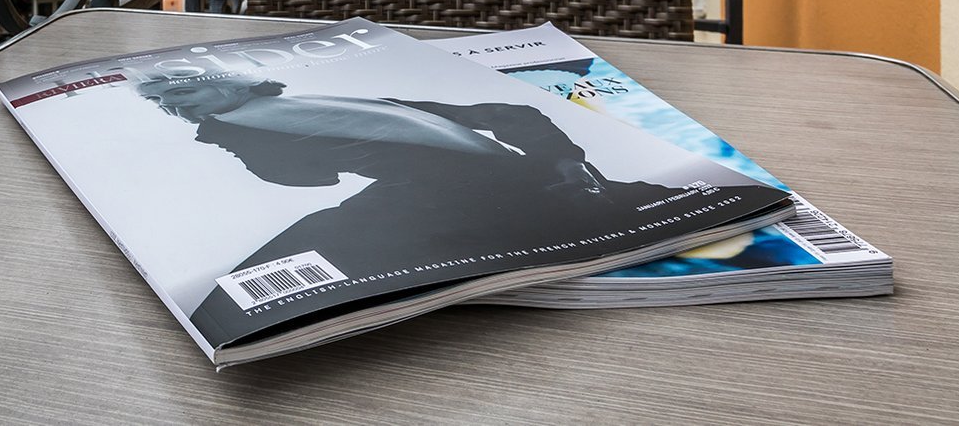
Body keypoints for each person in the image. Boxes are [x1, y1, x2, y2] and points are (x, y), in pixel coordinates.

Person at [137, 74, 687, 327]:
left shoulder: (267, 122)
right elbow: (510, 116)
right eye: (162, 104)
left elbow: (308, 180)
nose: (173, 108)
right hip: (500, 184)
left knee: (293, 262)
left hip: (468, 195)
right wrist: (559, 161)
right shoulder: (333, 107)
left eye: (181, 92)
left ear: (229, 85)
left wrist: (563, 161)